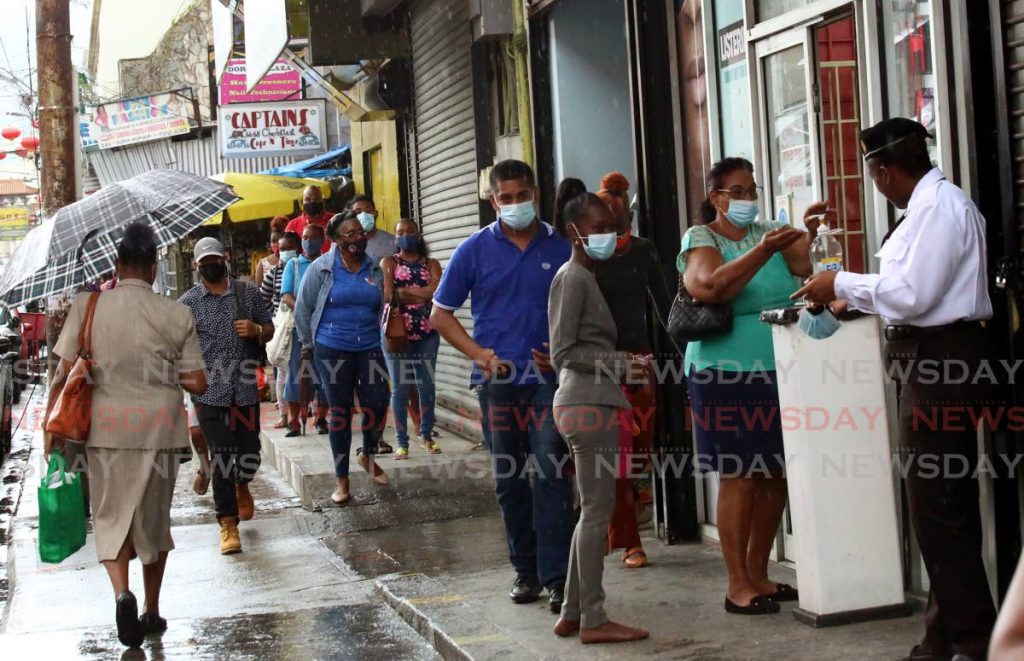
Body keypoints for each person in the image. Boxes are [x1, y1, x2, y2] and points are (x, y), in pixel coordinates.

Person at [794, 118, 997, 660]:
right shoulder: (929, 209)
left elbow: (913, 295)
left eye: (873, 174)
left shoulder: (938, 210)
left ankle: (977, 641)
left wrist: (840, 281)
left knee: (936, 508)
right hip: (931, 359)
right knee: (940, 507)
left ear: (884, 171)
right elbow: (908, 293)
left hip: (943, 363)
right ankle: (942, 638)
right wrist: (852, 299)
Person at [45, 224, 208, 648]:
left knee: (111, 516)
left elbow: (62, 372)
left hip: (105, 429)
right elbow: (199, 384)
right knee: (153, 522)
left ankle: (122, 594)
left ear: (116, 265)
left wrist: (51, 425)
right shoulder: (177, 314)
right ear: (154, 268)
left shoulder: (88, 306)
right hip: (159, 431)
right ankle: (152, 610)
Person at [431, 159, 574, 612]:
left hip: (550, 382)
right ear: (493, 201)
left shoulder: (565, 246)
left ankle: (558, 579)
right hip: (498, 384)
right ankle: (526, 571)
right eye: (505, 198)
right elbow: (439, 314)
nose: (515, 204)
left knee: (551, 472)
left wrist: (565, 351)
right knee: (510, 480)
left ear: (535, 192)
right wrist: (477, 354)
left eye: (522, 195)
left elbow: (588, 305)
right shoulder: (473, 250)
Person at [679, 156, 812, 615]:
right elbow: (710, 288)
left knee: (775, 475)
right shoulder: (703, 238)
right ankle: (737, 584)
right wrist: (762, 250)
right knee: (740, 477)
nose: (748, 199)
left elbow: (804, 265)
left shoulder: (770, 231)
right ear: (716, 197)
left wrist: (806, 232)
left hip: (781, 369)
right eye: (737, 192)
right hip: (724, 373)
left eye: (752, 189)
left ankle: (759, 572)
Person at [549, 192, 650, 644]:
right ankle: (593, 618)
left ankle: (573, 612)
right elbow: (563, 352)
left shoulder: (585, 276)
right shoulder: (573, 278)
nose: (609, 233)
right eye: (598, 227)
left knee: (589, 511)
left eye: (612, 224)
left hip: (591, 402)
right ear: (574, 233)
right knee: (596, 514)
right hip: (587, 405)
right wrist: (622, 364)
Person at [595, 172, 672, 570]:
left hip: (639, 361)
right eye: (608, 198)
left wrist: (684, 354)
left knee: (639, 454)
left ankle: (622, 525)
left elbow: (665, 305)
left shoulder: (643, 250)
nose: (615, 205)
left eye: (621, 198)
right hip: (598, 365)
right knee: (614, 455)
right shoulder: (585, 254)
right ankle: (629, 540)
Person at [179, 237, 274, 555]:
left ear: (226, 259)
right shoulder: (188, 303)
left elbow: (270, 327)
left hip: (245, 388)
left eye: (215, 261)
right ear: (197, 267)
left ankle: (243, 483)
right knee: (221, 456)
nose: (210, 267)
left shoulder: (247, 293)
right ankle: (227, 523)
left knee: (249, 451)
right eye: (204, 263)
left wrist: (257, 331)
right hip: (209, 393)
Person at [295, 214, 391, 505]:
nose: (356, 239)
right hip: (331, 347)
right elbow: (303, 308)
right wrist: (308, 346)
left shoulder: (374, 268)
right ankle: (342, 480)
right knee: (340, 411)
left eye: (360, 233)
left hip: (370, 345)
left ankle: (368, 453)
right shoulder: (321, 268)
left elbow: (382, 304)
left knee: (377, 402)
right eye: (348, 234)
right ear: (335, 239)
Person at [381, 219, 443, 459]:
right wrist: (422, 293)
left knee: (426, 385)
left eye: (409, 232)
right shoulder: (388, 262)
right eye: (400, 233)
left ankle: (427, 435)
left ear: (418, 235)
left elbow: (437, 293)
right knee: (400, 387)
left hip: (427, 331)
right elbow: (388, 295)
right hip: (397, 332)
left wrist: (403, 292)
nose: (405, 236)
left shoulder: (432, 263)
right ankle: (402, 442)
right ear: (395, 239)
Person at [280, 224, 330, 437]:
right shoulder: (294, 265)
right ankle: (293, 421)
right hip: (299, 328)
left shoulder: (329, 263)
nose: (308, 241)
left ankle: (321, 419)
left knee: (326, 374)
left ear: (323, 240)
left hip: (326, 328)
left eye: (313, 237)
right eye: (305, 237)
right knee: (295, 374)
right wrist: (305, 310)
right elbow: (286, 295)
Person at [262, 231, 301, 429]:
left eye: (289, 248)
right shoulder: (273, 273)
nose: (285, 252)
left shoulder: (304, 269)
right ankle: (284, 414)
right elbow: (263, 298)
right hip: (282, 327)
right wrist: (275, 315)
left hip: (302, 325)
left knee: (305, 370)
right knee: (282, 372)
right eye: (282, 248)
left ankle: (309, 412)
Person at [347, 194, 396, 263]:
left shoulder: (392, 241)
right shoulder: (344, 243)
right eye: (358, 212)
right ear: (351, 217)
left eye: (368, 211)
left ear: (376, 214)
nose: (363, 215)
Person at [285, 185, 334, 253]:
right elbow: (287, 250)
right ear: (302, 203)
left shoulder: (334, 220)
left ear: (322, 201)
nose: (312, 202)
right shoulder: (292, 225)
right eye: (308, 199)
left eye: (316, 199)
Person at [254, 216, 288, 288]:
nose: (276, 244)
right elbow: (258, 290)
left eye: (279, 241)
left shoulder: (293, 261)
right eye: (273, 241)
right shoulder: (262, 264)